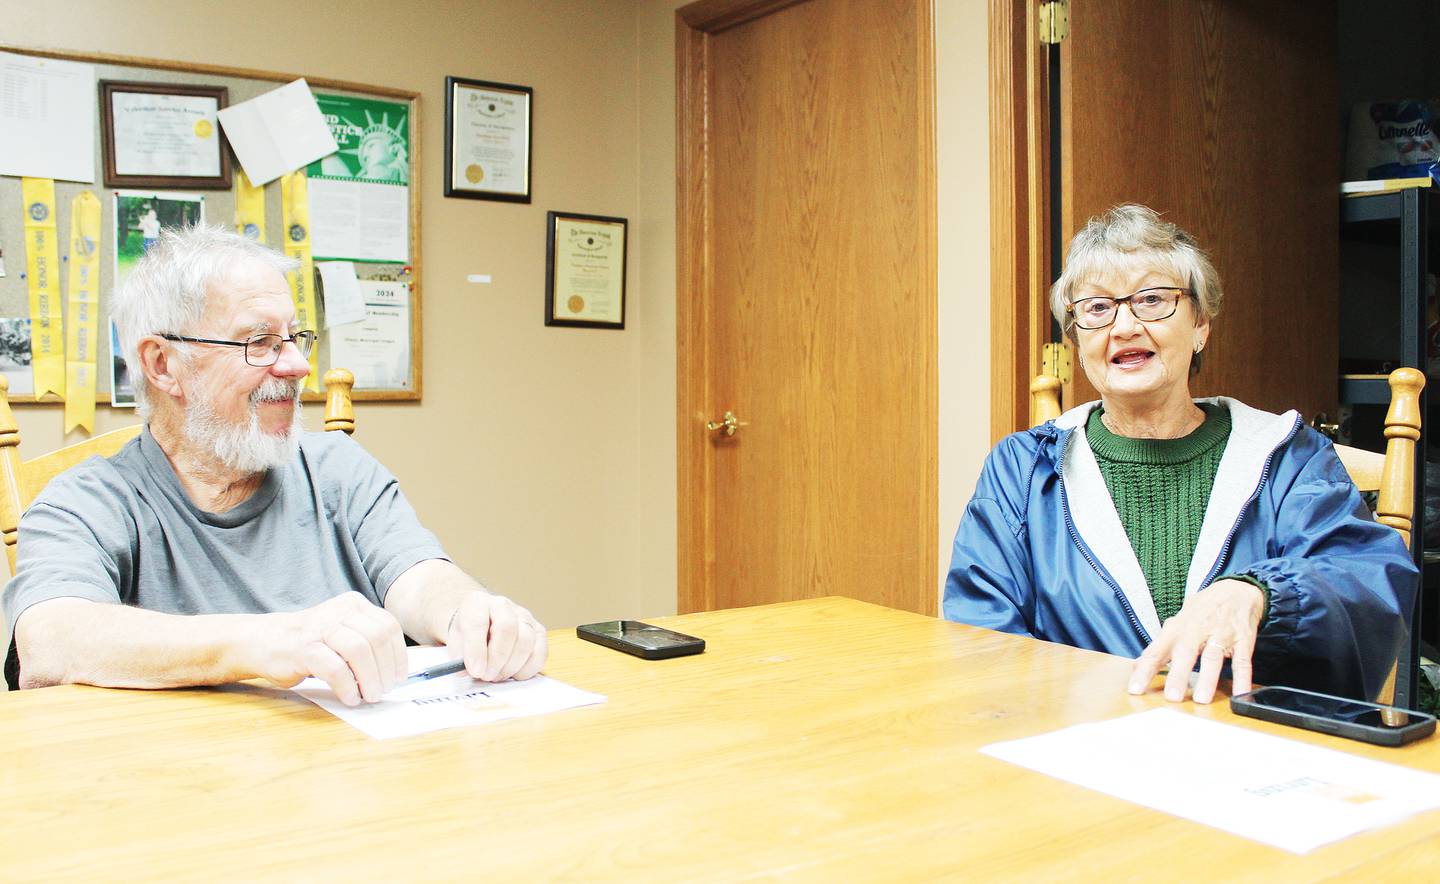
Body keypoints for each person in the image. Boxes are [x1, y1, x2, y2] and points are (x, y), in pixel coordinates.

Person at [4, 225, 546, 704]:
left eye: (293, 337)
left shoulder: (337, 468)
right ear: (162, 364)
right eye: (260, 342)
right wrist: (271, 642)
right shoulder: (87, 501)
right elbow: (50, 639)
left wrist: (469, 613)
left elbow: (419, 578)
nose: (298, 364)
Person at [944, 204, 1416, 704]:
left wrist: (1259, 593)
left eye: (1151, 300)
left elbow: (1367, 580)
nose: (1123, 327)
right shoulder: (1024, 467)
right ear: (1077, 339)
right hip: (1080, 748)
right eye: (1097, 308)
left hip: (1249, 748)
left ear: (1201, 326)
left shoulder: (1287, 455)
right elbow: (983, 638)